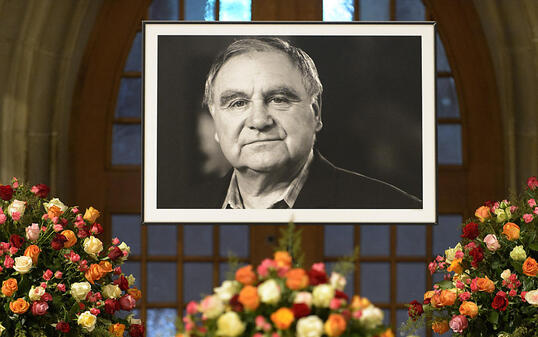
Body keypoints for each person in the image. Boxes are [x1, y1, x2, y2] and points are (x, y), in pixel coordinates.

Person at [191, 37, 421, 209]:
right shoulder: (181, 210)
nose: (259, 121)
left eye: (278, 99)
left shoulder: (392, 208)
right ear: (216, 123)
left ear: (315, 112)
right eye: (238, 103)